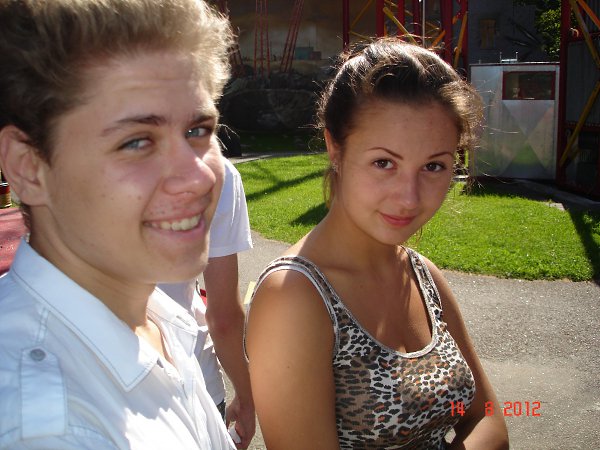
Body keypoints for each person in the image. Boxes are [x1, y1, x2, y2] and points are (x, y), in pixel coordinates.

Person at [244, 39, 510, 449]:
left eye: (434, 166)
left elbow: (485, 415)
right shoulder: (293, 297)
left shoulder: (422, 274)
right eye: (384, 163)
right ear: (335, 148)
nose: (409, 198)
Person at [0, 0, 236, 448]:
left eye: (198, 131)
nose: (200, 177)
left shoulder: (155, 317)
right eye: (137, 142)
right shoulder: (51, 430)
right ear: (28, 167)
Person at [159, 156, 256, 448]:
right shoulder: (214, 171)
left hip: (83, 385)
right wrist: (246, 397)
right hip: (191, 380)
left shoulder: (78, 157)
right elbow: (224, 316)